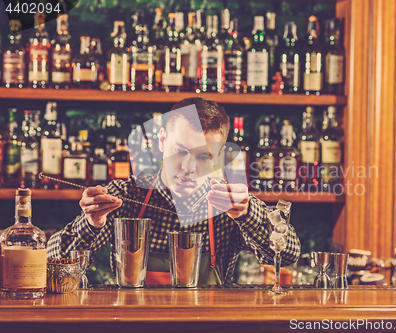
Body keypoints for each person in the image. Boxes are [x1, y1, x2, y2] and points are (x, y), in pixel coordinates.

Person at [47, 97, 301, 285]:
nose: (189, 167)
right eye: (180, 151)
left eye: (204, 156)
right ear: (161, 141)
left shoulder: (232, 205)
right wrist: (91, 222)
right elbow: (53, 262)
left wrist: (248, 214)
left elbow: (288, 254)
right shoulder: (126, 196)